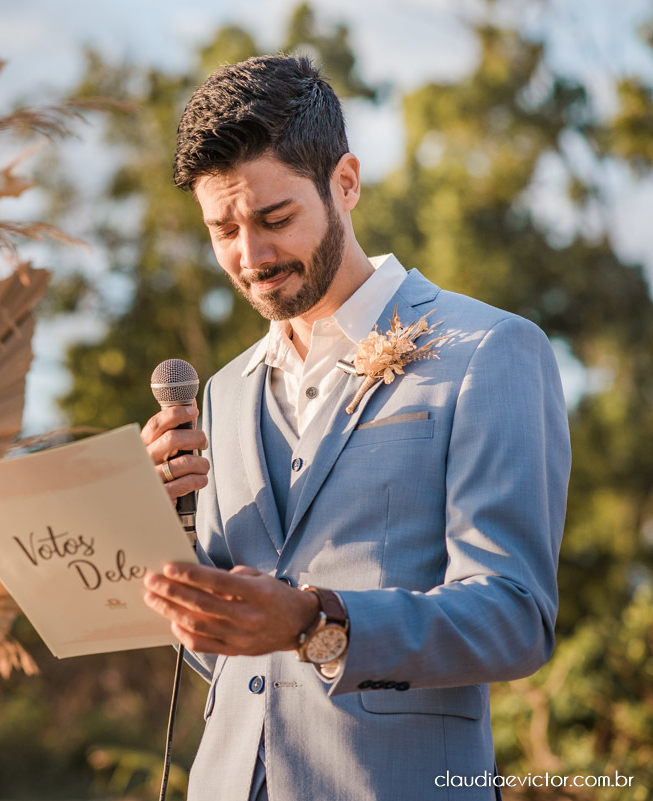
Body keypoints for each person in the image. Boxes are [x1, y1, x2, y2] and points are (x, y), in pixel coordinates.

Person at [140, 55, 570, 801]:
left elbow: (513, 616)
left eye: (275, 219)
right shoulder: (224, 391)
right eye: (224, 230)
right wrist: (167, 541)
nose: (251, 257)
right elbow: (228, 659)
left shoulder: (488, 351)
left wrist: (315, 622)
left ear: (346, 182)